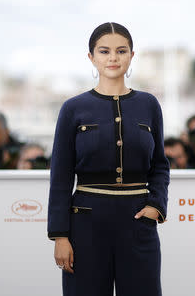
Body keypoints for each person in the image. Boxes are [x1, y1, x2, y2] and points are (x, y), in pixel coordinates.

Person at [47, 22, 170, 296]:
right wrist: (60, 235)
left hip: (139, 223)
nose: (113, 58)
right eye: (104, 51)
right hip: (85, 227)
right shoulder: (73, 108)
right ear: (91, 57)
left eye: (121, 51)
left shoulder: (149, 104)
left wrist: (156, 206)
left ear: (131, 56)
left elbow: (160, 165)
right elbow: (61, 176)